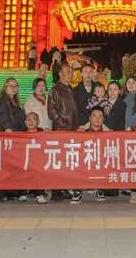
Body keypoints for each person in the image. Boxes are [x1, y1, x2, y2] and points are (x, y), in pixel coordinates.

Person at [47, 63, 81, 203]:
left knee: (67, 161)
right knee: (58, 161)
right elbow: (51, 111)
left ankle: (64, 188)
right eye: (67, 71)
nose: (70, 74)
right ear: (60, 73)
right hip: (61, 131)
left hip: (72, 130)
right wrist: (62, 122)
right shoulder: (55, 90)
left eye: (71, 72)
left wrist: (77, 125)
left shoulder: (70, 89)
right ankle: (56, 191)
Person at [79, 107, 109, 203]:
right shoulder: (80, 132)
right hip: (85, 161)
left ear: (103, 119)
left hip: (101, 161)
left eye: (100, 116)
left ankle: (100, 188)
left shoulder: (109, 134)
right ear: (89, 118)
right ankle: (77, 190)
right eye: (94, 116)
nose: (97, 118)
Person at [24, 112, 49, 204]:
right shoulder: (19, 134)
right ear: (25, 122)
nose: (31, 122)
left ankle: (39, 194)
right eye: (28, 119)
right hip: (23, 163)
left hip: (39, 164)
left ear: (38, 122)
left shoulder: (43, 133)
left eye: (34, 119)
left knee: (40, 169)